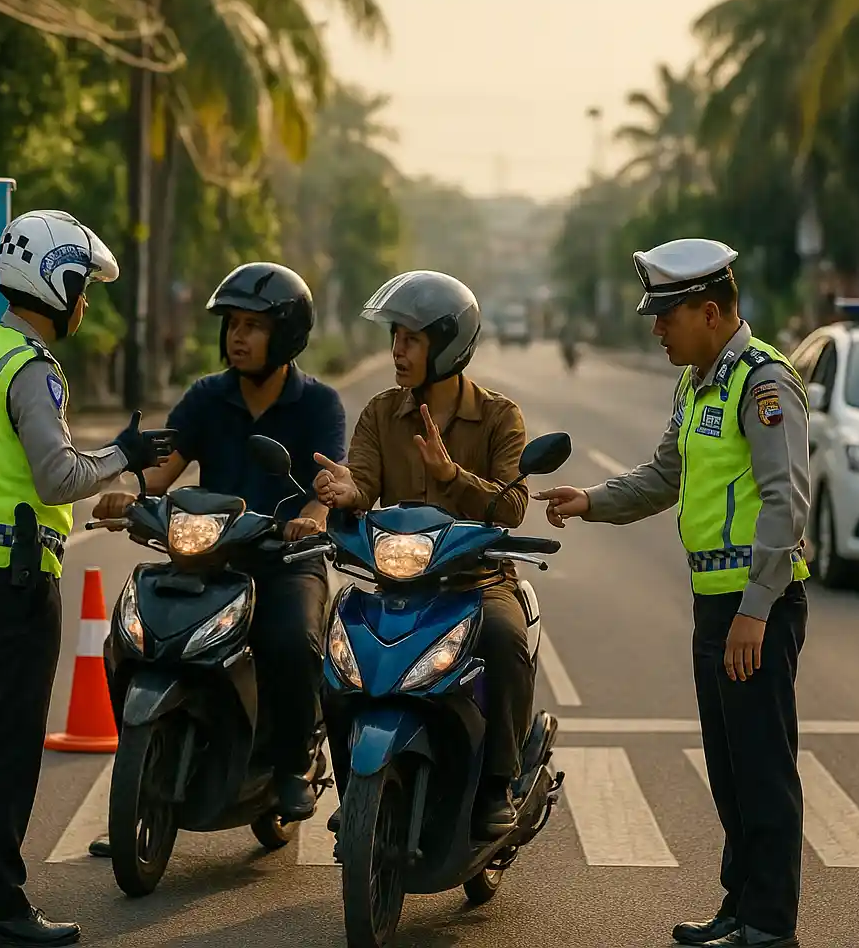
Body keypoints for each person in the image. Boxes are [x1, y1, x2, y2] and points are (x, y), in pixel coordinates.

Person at [535, 238, 810, 948]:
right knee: (729, 769)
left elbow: (786, 503)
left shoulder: (763, 384)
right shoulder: (697, 384)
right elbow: (664, 475)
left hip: (760, 607)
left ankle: (770, 925)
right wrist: (589, 500)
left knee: (763, 770)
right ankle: (738, 906)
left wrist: (755, 609)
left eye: (667, 317)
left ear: (711, 313)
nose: (656, 330)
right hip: (714, 605)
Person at [0, 210, 174, 947]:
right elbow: (56, 475)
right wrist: (125, 455)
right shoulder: (33, 369)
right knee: (7, 750)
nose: (85, 305)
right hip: (16, 581)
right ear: (59, 281)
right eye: (83, 290)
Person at [85, 261, 345, 859]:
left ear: (286, 335)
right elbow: (164, 468)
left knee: (292, 638)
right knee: (133, 633)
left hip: (284, 556)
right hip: (210, 556)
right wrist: (133, 494)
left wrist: (313, 518)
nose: (238, 336)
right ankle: (142, 779)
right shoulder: (207, 396)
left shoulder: (318, 405)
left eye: (253, 326)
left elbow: (327, 484)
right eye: (232, 324)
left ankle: (291, 763)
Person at [312, 270, 534, 839]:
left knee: (507, 641)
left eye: (410, 338)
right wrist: (345, 491)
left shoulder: (499, 417)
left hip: (478, 582)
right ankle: (354, 782)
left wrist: (451, 477)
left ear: (447, 343)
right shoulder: (382, 413)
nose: (397, 350)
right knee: (337, 656)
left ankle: (496, 786)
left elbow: (512, 506)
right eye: (395, 337)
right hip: (399, 584)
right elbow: (361, 477)